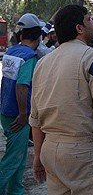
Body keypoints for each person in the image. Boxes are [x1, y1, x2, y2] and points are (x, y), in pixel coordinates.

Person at [28, 5, 93, 193]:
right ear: (79, 28)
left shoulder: (43, 63)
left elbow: (36, 118)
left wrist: (37, 156)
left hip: (51, 151)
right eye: (89, 19)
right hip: (85, 153)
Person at [0, 13, 44, 194]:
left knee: (18, 158)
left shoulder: (11, 52)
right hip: (18, 115)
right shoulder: (29, 57)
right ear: (38, 37)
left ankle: (16, 191)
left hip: (6, 111)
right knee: (12, 160)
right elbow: (22, 85)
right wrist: (24, 113)